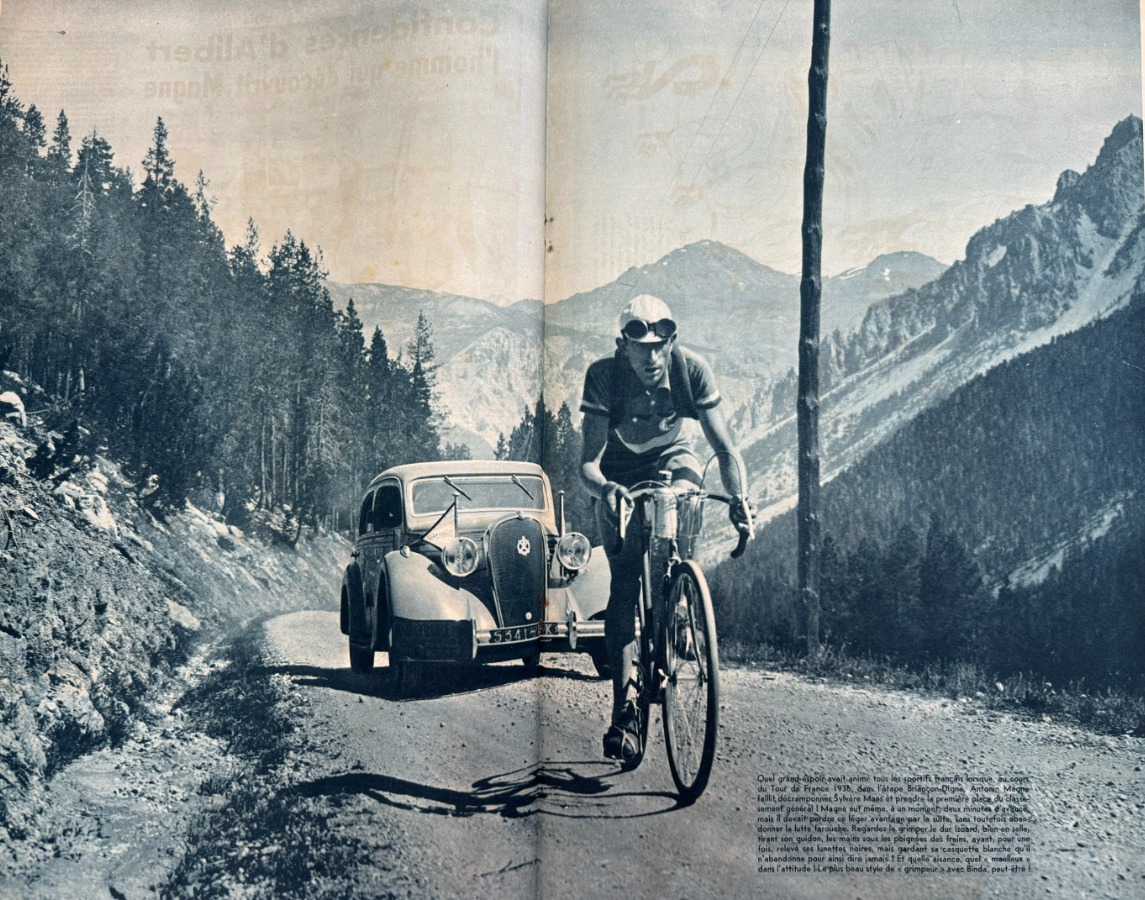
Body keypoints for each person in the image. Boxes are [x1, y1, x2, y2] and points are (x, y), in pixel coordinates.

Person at [579, 294, 751, 763]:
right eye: (642, 347)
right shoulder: (603, 376)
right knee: (624, 581)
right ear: (623, 346)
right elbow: (587, 467)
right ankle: (625, 712)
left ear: (672, 342)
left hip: (674, 459)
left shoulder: (691, 370)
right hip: (618, 469)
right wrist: (607, 490)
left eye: (662, 346)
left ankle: (678, 600)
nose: (653, 357)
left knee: (682, 503)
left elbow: (724, 447)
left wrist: (739, 500)